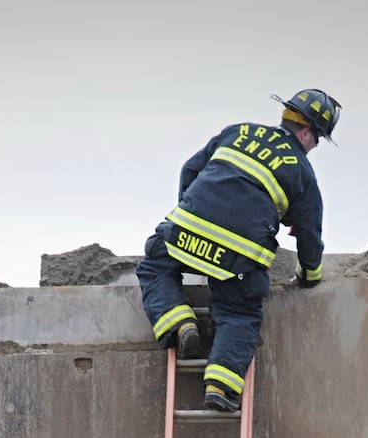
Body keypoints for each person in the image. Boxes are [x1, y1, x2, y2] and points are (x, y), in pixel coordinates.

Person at [135, 88, 340, 413]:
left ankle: (179, 323)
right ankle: (221, 387)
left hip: (186, 232)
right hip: (238, 256)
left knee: (155, 267)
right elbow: (310, 238)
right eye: (317, 140)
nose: (314, 147)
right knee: (239, 313)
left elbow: (190, 170)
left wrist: (194, 217)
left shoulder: (239, 131)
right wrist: (309, 275)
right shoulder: (302, 172)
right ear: (306, 133)